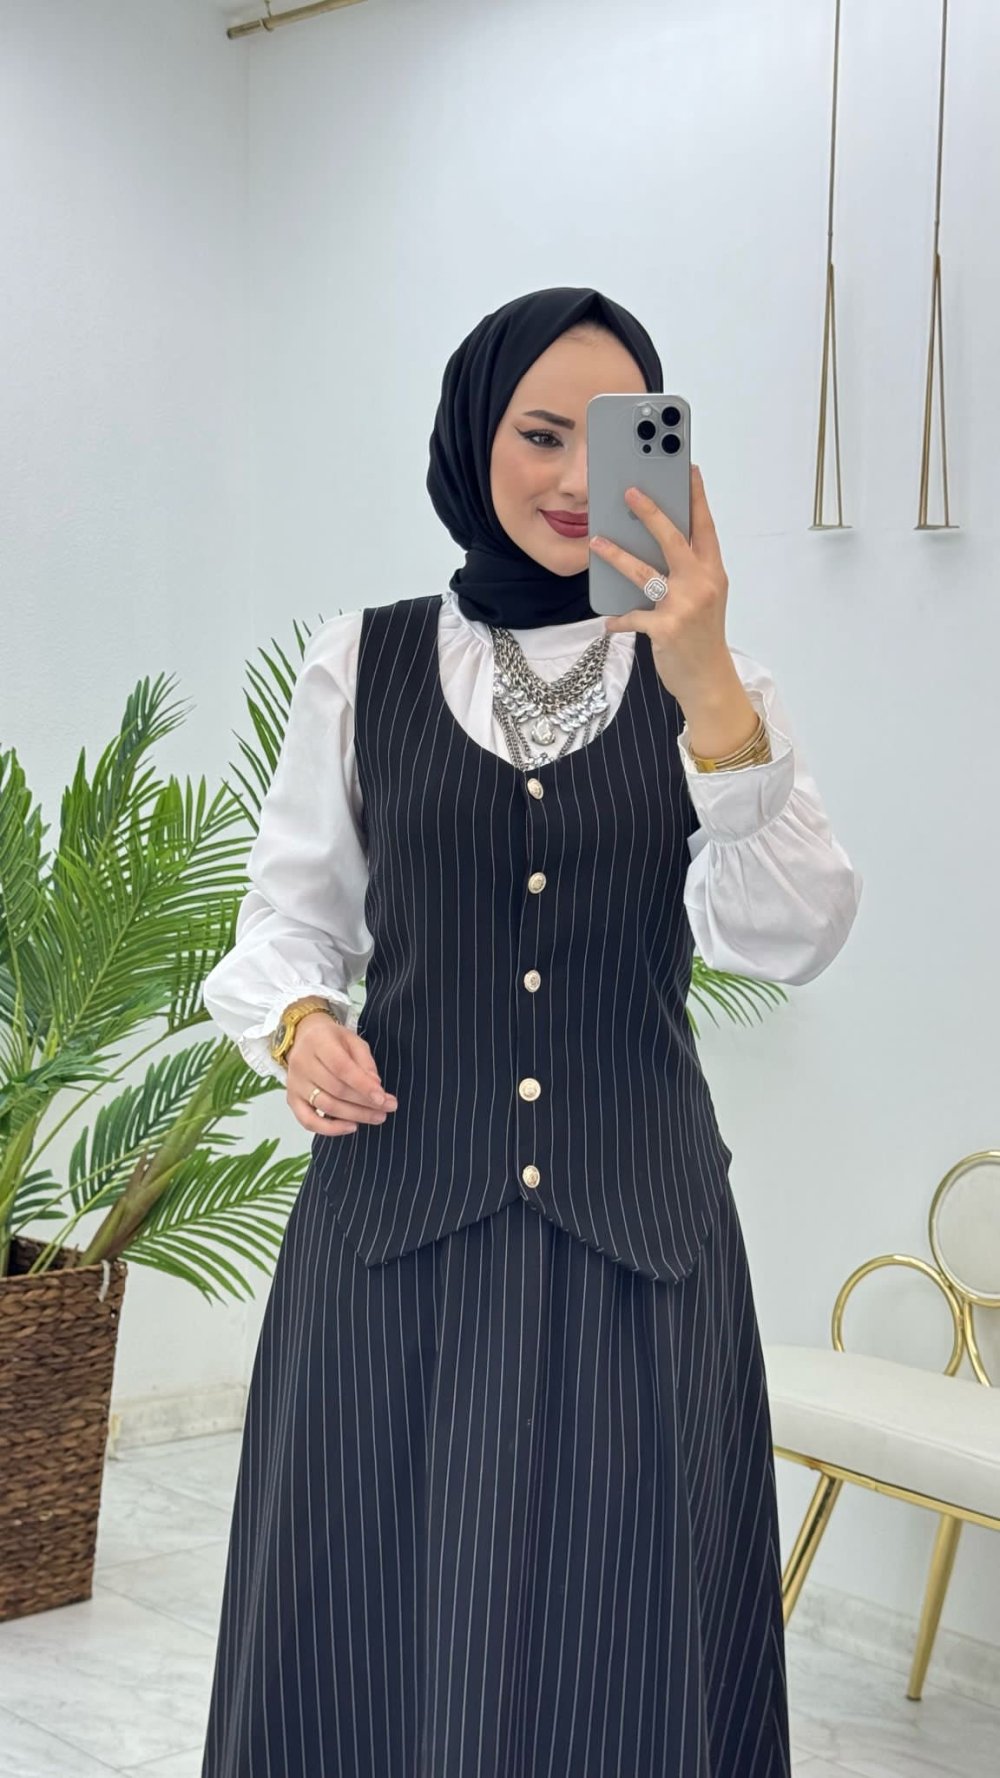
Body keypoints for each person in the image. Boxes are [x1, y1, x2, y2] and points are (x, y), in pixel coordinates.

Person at [199, 286, 861, 1778]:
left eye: (611, 439)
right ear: (471, 439)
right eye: (538, 434)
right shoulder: (360, 663)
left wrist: (705, 681)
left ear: (664, 454)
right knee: (361, 1627)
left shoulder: (718, 687)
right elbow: (287, 921)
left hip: (640, 1247)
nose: (572, 479)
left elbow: (793, 933)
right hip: (395, 1235)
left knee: (617, 1641)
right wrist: (298, 1023)